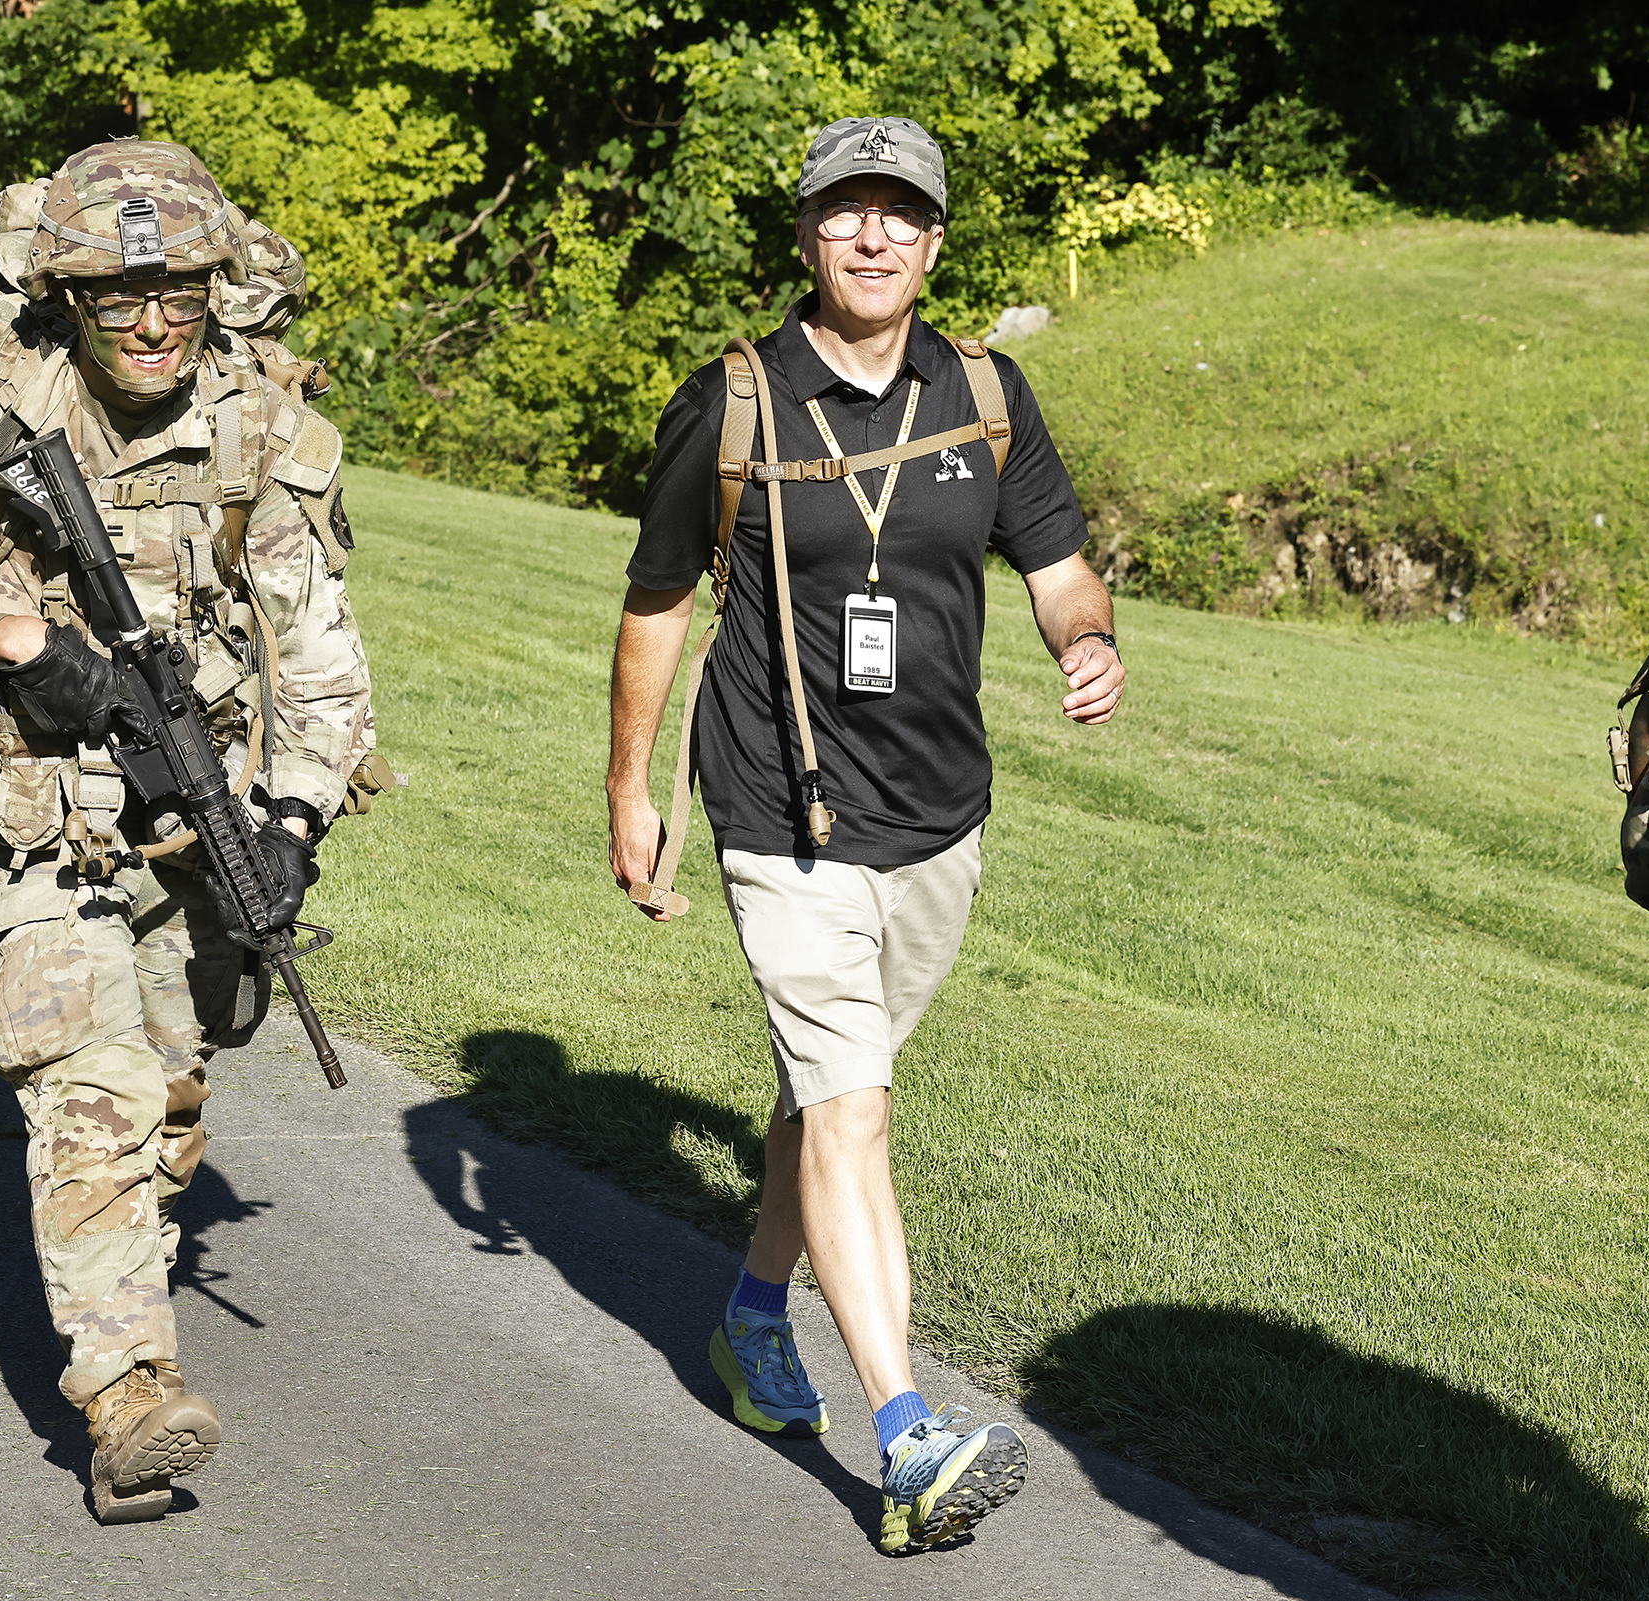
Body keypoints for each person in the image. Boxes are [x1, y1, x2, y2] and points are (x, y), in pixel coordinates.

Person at [605, 115, 1125, 1555]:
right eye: (849, 211)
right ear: (808, 236)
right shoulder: (735, 405)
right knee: (855, 1107)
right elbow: (656, 604)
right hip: (785, 811)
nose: (876, 235)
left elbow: (1062, 568)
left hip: (940, 815)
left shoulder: (985, 393)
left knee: (829, 1090)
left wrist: (1087, 642)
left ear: (938, 241)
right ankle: (907, 1436)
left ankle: (755, 1317)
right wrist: (631, 788)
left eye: (902, 212)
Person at [0, 140, 375, 1523]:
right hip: (44, 811)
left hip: (200, 820)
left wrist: (295, 819)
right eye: (117, 302)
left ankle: (127, 1241)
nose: (152, 326)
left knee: (174, 1104)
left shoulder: (267, 436)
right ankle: (130, 1395)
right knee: (98, 1092)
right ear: (67, 299)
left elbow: (318, 658)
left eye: (183, 298)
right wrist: (13, 636)